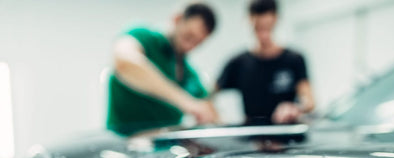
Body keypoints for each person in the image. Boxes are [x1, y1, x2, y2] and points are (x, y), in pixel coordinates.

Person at [107, 3, 218, 136]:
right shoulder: (143, 37)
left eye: (197, 43)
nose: (189, 47)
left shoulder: (189, 74)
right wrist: (186, 102)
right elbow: (124, 62)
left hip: (166, 150)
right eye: (188, 36)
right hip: (124, 145)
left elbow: (209, 111)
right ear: (177, 19)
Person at [215, 0, 315, 125]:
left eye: (267, 27)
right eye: (258, 28)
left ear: (276, 19)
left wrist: (295, 108)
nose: (263, 35)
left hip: (288, 134)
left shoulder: (295, 59)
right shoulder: (237, 63)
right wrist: (217, 117)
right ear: (249, 20)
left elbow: (309, 102)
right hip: (252, 136)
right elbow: (208, 95)